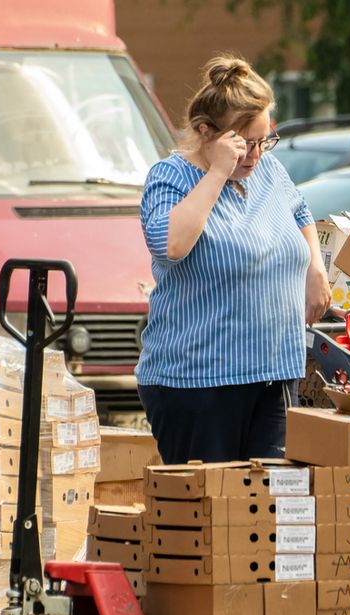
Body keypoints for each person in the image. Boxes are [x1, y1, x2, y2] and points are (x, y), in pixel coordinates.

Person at [136, 55, 331, 464]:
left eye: (264, 140)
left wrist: (314, 267)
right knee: (210, 512)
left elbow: (299, 212)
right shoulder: (171, 177)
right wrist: (217, 173)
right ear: (207, 132)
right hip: (199, 382)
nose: (256, 154)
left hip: (275, 369)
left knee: (268, 513)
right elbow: (171, 244)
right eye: (244, 143)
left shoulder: (269, 171)